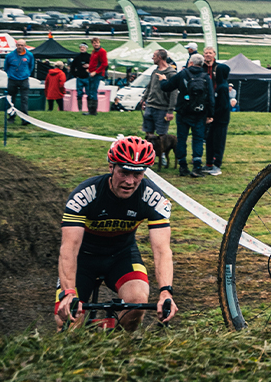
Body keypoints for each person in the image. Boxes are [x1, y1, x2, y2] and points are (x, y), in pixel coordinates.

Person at [55, 137, 178, 331]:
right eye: (124, 172)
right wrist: (69, 292)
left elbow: (162, 250)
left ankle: (116, 345)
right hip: (82, 261)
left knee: (136, 304)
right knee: (68, 322)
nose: (130, 181)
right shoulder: (85, 195)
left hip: (122, 256)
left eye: (137, 174)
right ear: (111, 167)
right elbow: (69, 248)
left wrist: (166, 292)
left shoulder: (152, 198)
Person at [160, 53, 214, 177]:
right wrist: (210, 114)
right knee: (198, 139)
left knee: (182, 139)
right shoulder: (206, 77)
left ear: (190, 62)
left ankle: (183, 166)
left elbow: (167, 87)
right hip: (200, 112)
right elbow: (211, 97)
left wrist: (162, 80)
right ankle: (197, 166)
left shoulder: (183, 74)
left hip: (183, 112)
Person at [141, 49, 178, 169]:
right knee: (148, 133)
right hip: (150, 106)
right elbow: (150, 86)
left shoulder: (171, 73)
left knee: (162, 135)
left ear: (160, 57)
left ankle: (162, 156)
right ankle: (148, 156)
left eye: (154, 56)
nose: (152, 58)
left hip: (162, 108)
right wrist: (144, 98)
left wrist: (170, 110)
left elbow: (174, 93)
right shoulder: (155, 71)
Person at [201, 47, 231, 175]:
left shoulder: (222, 88)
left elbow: (223, 106)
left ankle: (216, 164)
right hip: (215, 117)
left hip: (220, 119)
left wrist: (213, 114)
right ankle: (209, 163)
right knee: (210, 139)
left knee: (218, 140)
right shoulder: (220, 86)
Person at [4, 38, 35, 123]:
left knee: (24, 99)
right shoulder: (10, 55)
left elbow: (31, 66)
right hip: (12, 80)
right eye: (18, 45)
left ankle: (25, 119)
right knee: (11, 99)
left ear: (25, 46)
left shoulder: (29, 55)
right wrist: (11, 74)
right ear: (16, 45)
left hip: (24, 80)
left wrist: (26, 74)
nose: (20, 47)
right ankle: (11, 117)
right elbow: (6, 67)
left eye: (22, 45)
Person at [85, 37, 108, 116]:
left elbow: (104, 64)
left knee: (93, 91)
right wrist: (89, 68)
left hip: (97, 74)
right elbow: (92, 62)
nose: (96, 44)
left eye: (97, 43)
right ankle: (90, 110)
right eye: (94, 43)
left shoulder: (102, 51)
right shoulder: (93, 52)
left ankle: (93, 111)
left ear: (99, 43)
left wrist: (96, 72)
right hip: (91, 73)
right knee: (89, 91)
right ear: (92, 44)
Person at [70, 43, 91, 111]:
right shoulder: (77, 57)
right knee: (79, 94)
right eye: (81, 47)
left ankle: (89, 108)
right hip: (79, 78)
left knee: (89, 94)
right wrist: (75, 74)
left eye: (83, 47)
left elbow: (95, 65)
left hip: (88, 77)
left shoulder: (89, 56)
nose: (82, 48)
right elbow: (72, 67)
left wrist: (89, 66)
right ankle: (80, 109)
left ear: (86, 48)